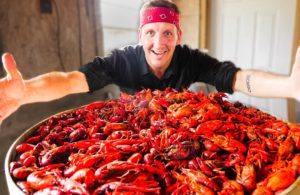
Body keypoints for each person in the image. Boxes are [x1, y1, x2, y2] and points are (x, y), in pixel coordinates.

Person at [0, 0, 299, 124]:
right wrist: (26, 92)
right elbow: (70, 80)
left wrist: (288, 86)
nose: (159, 43)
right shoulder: (121, 60)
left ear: (178, 35)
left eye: (167, 33)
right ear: (140, 34)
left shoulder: (190, 60)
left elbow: (237, 78)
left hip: (179, 124)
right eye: (151, 33)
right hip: (132, 124)